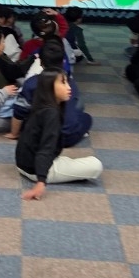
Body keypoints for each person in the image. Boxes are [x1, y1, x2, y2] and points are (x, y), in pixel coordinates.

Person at [18, 69, 103, 199]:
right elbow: (46, 148)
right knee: (96, 165)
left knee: (70, 161)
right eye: (63, 83)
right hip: (36, 170)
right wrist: (41, 182)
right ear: (49, 87)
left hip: (24, 164)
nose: (69, 87)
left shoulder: (42, 105)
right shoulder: (52, 114)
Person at [10, 37, 93, 146]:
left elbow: (19, 112)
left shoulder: (31, 82)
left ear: (40, 62)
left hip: (39, 135)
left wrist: (14, 134)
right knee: (85, 116)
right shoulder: (69, 82)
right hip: (67, 137)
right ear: (63, 61)